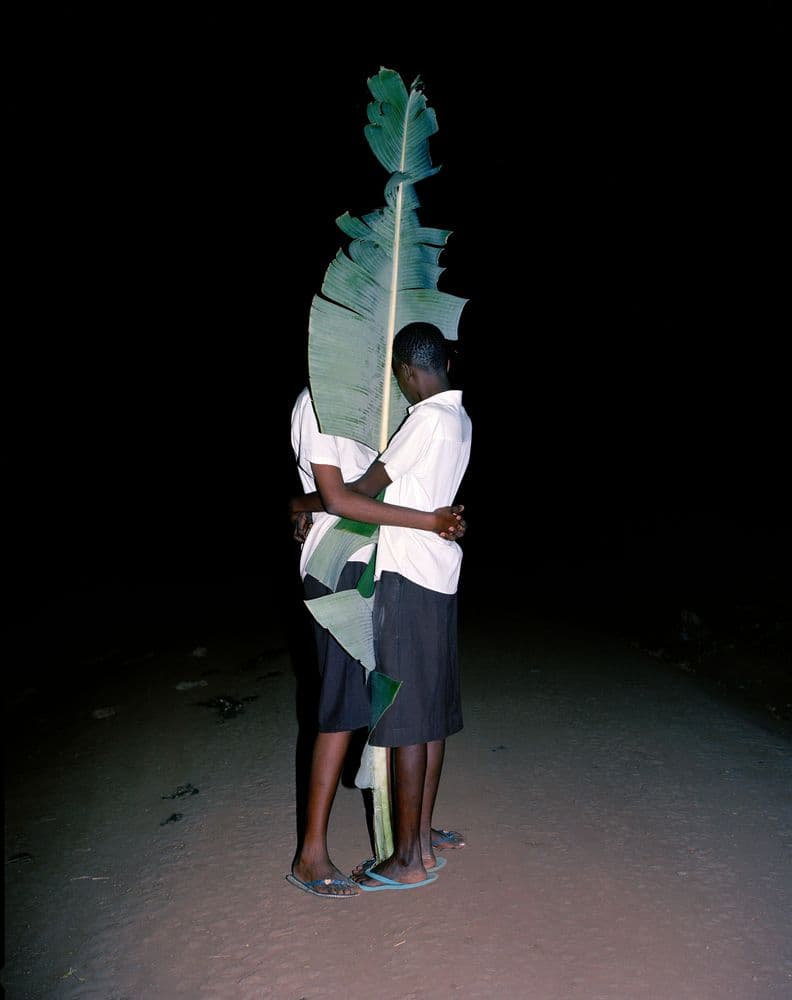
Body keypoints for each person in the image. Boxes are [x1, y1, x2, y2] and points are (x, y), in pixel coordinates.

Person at [286, 379, 464, 898]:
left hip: (386, 563)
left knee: (400, 699)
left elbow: (385, 480)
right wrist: (430, 521)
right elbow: (340, 497)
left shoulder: (377, 403)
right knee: (343, 709)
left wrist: (298, 502)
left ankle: (413, 832)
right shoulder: (317, 401)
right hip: (338, 564)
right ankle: (310, 855)